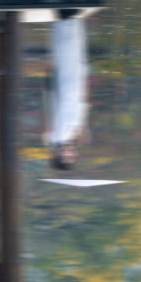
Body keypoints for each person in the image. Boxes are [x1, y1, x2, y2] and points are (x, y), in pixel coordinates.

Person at [46, 12, 89, 170]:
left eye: (67, 157)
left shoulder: (57, 136)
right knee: (75, 56)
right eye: (72, 157)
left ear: (58, 155)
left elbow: (55, 105)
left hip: (66, 88)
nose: (72, 154)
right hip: (73, 89)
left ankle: (67, 21)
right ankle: (69, 22)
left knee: (69, 56)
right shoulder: (65, 137)